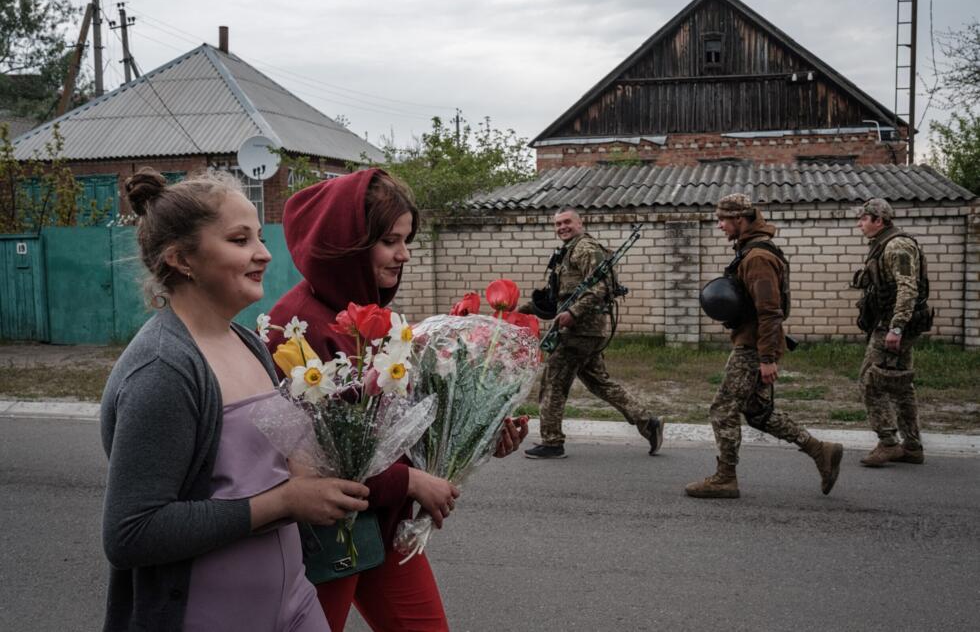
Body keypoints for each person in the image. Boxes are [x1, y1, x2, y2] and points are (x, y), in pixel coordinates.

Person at [100, 168, 370, 632]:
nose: (263, 253)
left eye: (259, 238)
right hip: (208, 614)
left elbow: (276, 456)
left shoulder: (247, 342)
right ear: (182, 258)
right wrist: (286, 502)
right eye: (239, 240)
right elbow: (132, 532)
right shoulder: (163, 370)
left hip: (295, 603)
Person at [265, 168, 527, 632]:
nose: (404, 255)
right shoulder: (295, 325)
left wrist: (478, 439)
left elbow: (399, 426)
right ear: (346, 244)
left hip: (382, 530)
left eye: (406, 240)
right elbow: (309, 460)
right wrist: (407, 482)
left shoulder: (379, 319)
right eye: (390, 241)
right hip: (330, 536)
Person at [685, 193, 843, 499]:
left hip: (753, 348)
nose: (719, 226)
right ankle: (820, 451)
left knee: (722, 409)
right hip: (754, 343)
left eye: (723, 220)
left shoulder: (757, 257)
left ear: (740, 220)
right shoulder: (751, 251)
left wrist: (767, 357)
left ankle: (725, 477)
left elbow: (770, 311)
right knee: (758, 412)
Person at [520, 206, 665, 459]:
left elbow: (600, 286)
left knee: (553, 382)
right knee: (599, 382)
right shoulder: (568, 251)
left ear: (580, 223)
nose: (562, 227)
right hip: (585, 331)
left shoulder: (585, 249)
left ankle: (552, 442)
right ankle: (647, 422)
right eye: (558, 224)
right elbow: (555, 297)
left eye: (567, 222)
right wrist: (519, 310)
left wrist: (573, 313)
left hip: (579, 331)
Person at [852, 198, 932, 467]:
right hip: (892, 323)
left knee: (870, 382)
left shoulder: (897, 246)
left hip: (894, 326)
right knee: (900, 387)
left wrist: (896, 328)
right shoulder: (883, 244)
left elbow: (908, 289)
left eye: (863, 218)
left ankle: (888, 443)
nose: (859, 223)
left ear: (879, 220)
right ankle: (912, 446)